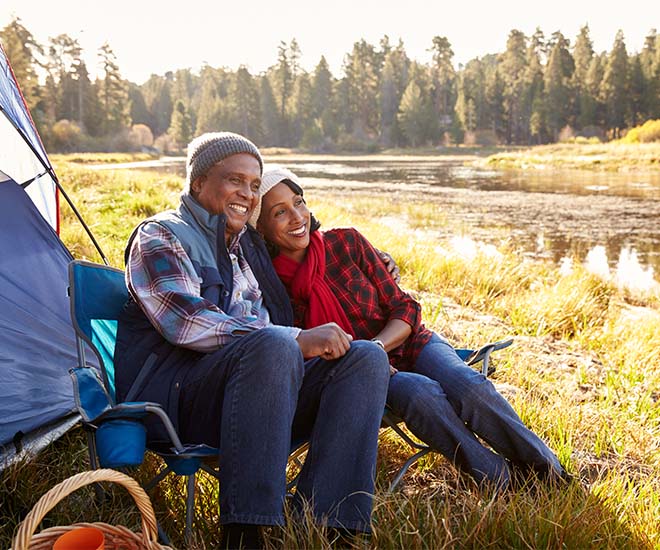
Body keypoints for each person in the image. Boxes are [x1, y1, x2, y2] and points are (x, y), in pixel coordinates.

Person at [114, 133, 391, 549]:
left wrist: (374, 268)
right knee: (275, 343)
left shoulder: (241, 248)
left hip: (255, 400)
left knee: (364, 357)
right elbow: (186, 322)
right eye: (234, 180)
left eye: (254, 184)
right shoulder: (161, 236)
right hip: (178, 403)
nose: (247, 193)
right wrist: (295, 339)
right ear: (198, 183)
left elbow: (269, 302)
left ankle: (331, 525)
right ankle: (247, 532)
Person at [252, 165, 568, 492]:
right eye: (279, 212)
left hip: (409, 341)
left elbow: (404, 307)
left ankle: (548, 471)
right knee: (422, 396)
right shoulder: (273, 289)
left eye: (298, 202)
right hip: (365, 376)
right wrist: (367, 362)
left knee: (467, 384)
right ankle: (502, 481)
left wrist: (375, 347)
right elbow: (308, 355)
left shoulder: (346, 242)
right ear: (260, 228)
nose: (296, 216)